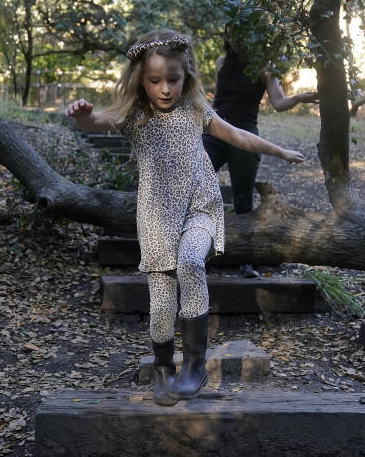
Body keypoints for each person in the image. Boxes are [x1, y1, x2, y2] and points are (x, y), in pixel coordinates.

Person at [66, 29, 304, 405]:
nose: (165, 89)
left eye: (173, 80)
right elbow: (96, 122)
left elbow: (237, 136)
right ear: (141, 81)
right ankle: (164, 369)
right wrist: (83, 117)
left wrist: (279, 151)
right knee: (161, 302)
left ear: (186, 77)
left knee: (191, 262)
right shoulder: (135, 116)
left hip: (200, 207)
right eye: (155, 80)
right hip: (158, 217)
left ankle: (195, 366)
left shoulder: (195, 110)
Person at [202, 28, 319, 278]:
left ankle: (246, 261)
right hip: (215, 133)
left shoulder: (265, 67)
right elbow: (217, 100)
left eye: (242, 35)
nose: (236, 40)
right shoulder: (222, 63)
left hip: (246, 136)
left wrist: (298, 98)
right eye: (232, 36)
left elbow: (278, 103)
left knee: (243, 199)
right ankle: (196, 248)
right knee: (195, 182)